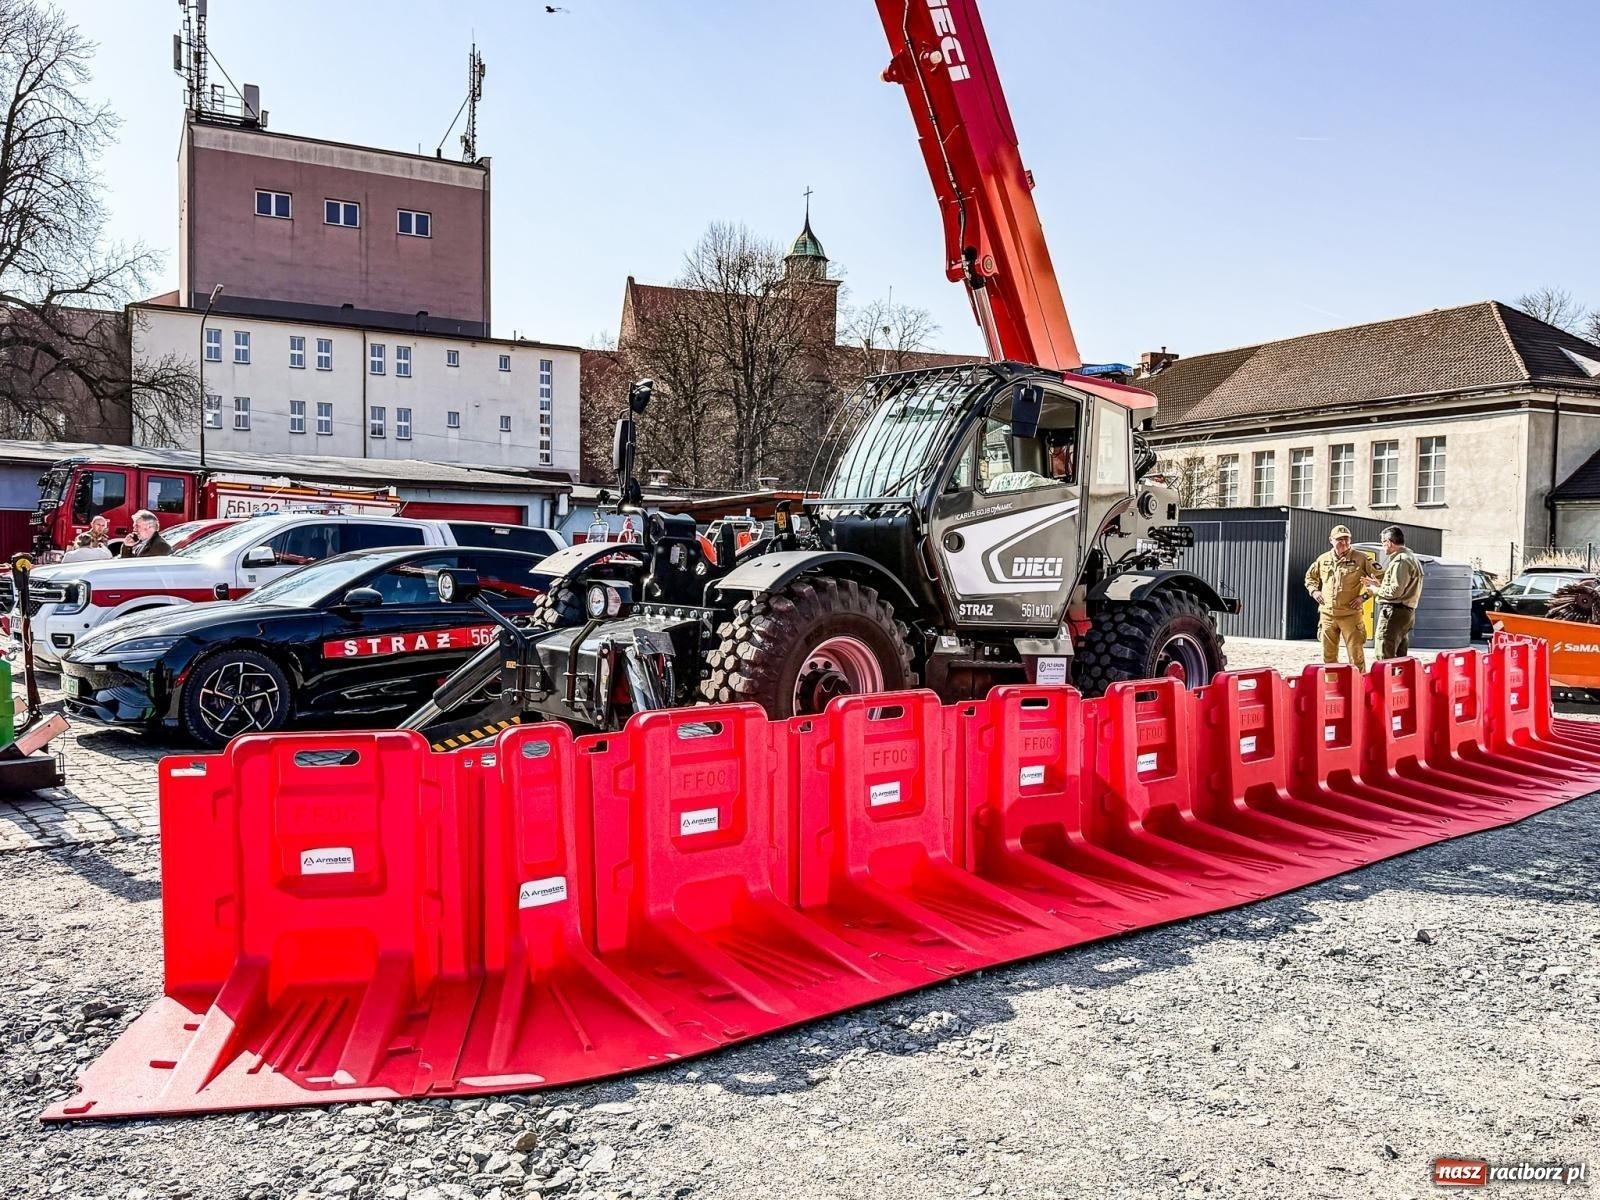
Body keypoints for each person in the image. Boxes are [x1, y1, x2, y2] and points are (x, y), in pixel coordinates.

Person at [1304, 523, 1381, 671]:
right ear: (1331, 540)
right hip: (1328, 615)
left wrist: (1364, 596)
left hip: (1350, 615)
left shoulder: (1361, 558)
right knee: (1328, 656)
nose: (1344, 543)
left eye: (1347, 539)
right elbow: (1310, 578)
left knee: (1356, 655)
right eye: (1340, 539)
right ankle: (1331, 686)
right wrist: (1314, 591)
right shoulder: (1323, 559)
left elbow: (1380, 580)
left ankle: (1359, 686)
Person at [1373, 524, 1424, 659]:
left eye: (1383, 543)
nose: (1382, 547)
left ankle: (1385, 681)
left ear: (1389, 543)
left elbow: (1395, 591)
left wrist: (1376, 590)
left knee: (1384, 653)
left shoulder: (1401, 561)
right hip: (1405, 611)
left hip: (1394, 611)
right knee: (1400, 656)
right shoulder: (1411, 558)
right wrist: (1380, 584)